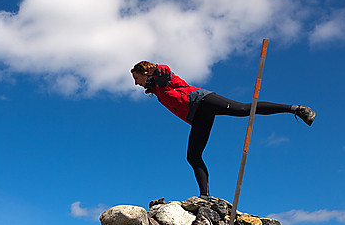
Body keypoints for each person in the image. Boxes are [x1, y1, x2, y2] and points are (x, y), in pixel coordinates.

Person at [131, 60, 315, 199]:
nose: (136, 83)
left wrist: (156, 69)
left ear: (145, 72)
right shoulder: (156, 89)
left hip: (202, 100)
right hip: (197, 116)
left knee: (243, 109)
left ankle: (296, 109)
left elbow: (165, 72)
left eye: (136, 78)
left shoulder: (159, 79)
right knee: (192, 156)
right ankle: (205, 197)